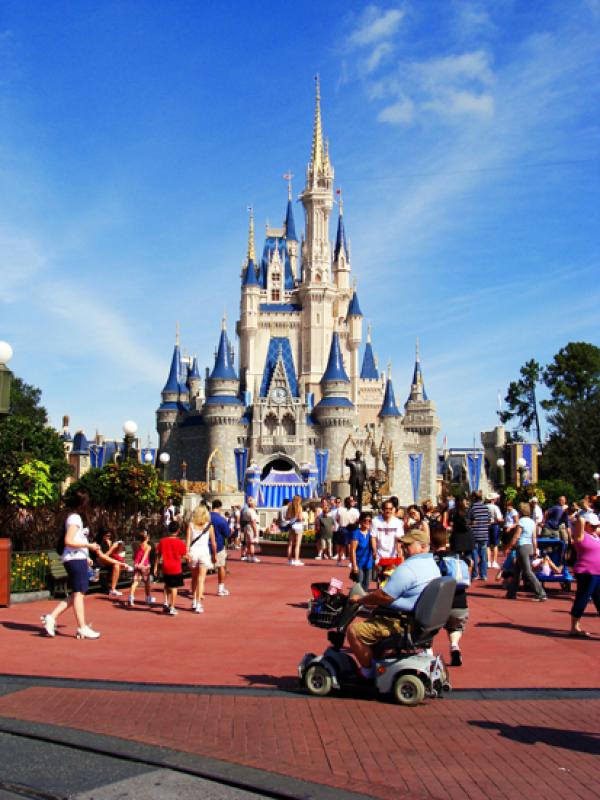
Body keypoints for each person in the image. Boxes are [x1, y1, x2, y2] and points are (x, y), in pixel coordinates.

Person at [346, 530, 439, 678]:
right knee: (374, 616)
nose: (404, 548)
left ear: (422, 547)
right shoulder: (432, 565)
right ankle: (378, 661)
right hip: (417, 621)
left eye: (408, 545)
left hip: (401, 622)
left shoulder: (409, 568)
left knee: (354, 631)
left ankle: (368, 673)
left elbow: (384, 595)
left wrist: (361, 599)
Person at [41, 490, 102, 639]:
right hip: (75, 559)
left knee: (78, 593)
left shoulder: (73, 518)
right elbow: (69, 541)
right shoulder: (75, 518)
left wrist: (85, 555)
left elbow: (74, 541)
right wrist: (89, 547)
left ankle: (51, 617)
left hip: (77, 558)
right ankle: (82, 627)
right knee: (78, 594)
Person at [430, 526, 471, 667]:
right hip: (459, 602)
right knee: (455, 628)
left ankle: (428, 655)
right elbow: (469, 564)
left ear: (432, 543)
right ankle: (454, 646)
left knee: (427, 630)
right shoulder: (459, 557)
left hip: (438, 602)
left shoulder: (432, 559)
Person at [505, 502, 547, 602]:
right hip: (530, 546)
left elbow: (516, 536)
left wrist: (509, 547)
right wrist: (535, 549)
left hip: (522, 546)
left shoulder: (521, 521)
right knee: (517, 571)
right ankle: (511, 592)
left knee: (527, 571)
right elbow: (534, 537)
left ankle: (541, 593)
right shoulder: (532, 522)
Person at [569, 512, 600, 637]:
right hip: (586, 573)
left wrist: (595, 522)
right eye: (591, 525)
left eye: (595, 526)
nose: (594, 528)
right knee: (583, 598)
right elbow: (579, 522)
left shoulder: (595, 535)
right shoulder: (580, 536)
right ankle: (574, 627)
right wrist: (582, 517)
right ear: (585, 524)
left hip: (598, 573)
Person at [186, 505, 216, 613]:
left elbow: (188, 541)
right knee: (201, 579)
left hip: (194, 552)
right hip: (204, 552)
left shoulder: (191, 525)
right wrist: (214, 555)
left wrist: (187, 553)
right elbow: (213, 543)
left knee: (194, 578)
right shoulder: (209, 526)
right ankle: (198, 603)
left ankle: (194, 600)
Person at [155, 520, 188, 615]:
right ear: (178, 530)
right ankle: (172, 607)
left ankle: (165, 602)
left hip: (166, 566)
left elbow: (158, 554)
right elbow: (183, 555)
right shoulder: (180, 542)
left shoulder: (162, 541)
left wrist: (156, 566)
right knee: (174, 588)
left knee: (166, 585)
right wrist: (188, 558)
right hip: (176, 567)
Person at [99, 528, 132, 597]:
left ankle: (112, 589)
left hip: (110, 561)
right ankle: (112, 589)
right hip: (102, 562)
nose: (108, 537)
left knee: (117, 565)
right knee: (117, 564)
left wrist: (118, 547)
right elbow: (103, 557)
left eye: (109, 536)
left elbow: (113, 554)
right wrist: (112, 548)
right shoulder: (99, 543)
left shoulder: (109, 542)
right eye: (107, 536)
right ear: (102, 535)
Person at [350, 510, 376, 591]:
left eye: (369, 521)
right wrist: (354, 565)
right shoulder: (356, 533)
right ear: (360, 521)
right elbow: (352, 550)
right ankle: (358, 601)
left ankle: (363, 601)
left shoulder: (372, 533)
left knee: (367, 584)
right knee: (360, 585)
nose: (367, 522)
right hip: (359, 563)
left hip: (369, 563)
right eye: (365, 520)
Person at [128, 528, 155, 606]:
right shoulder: (148, 546)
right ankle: (148, 598)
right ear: (147, 537)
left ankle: (131, 598)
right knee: (147, 583)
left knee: (135, 582)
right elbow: (145, 555)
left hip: (137, 565)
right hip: (144, 566)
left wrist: (137, 564)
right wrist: (142, 564)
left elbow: (135, 556)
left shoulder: (136, 545)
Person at [468, 492, 491, 581]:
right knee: (483, 555)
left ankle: (475, 574)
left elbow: (468, 520)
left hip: (474, 534)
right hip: (484, 534)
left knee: (474, 555)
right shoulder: (486, 508)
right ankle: (484, 574)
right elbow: (489, 520)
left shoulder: (472, 508)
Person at [210, 499, 232, 596]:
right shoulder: (221, 520)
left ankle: (197, 590)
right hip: (218, 545)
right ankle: (220, 588)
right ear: (219, 508)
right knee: (221, 566)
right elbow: (227, 534)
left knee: (200, 570)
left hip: (204, 545)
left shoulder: (205, 517)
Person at [337, 496, 360, 566]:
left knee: (345, 546)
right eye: (351, 501)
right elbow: (358, 520)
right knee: (347, 546)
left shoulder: (341, 510)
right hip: (348, 528)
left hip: (346, 528)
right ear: (348, 503)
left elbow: (337, 519)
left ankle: (341, 561)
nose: (353, 502)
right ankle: (348, 561)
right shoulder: (354, 511)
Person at [285, 495, 305, 566]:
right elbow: (300, 517)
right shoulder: (299, 507)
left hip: (291, 525)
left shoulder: (289, 507)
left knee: (290, 543)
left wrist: (291, 518)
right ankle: (296, 560)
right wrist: (302, 519)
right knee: (297, 544)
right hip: (298, 526)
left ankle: (289, 560)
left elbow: (286, 517)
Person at [486, 494, 503, 570]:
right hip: (494, 525)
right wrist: (503, 520)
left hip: (486, 525)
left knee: (488, 545)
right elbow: (499, 518)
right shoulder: (495, 507)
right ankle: (494, 561)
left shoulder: (485, 507)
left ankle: (488, 561)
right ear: (493, 499)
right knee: (495, 544)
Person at [240, 496, 260, 563]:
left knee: (248, 543)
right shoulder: (252, 511)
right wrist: (256, 533)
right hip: (251, 527)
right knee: (252, 543)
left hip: (247, 526)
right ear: (253, 504)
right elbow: (253, 522)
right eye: (255, 503)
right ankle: (252, 556)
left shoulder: (246, 511)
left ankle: (248, 556)